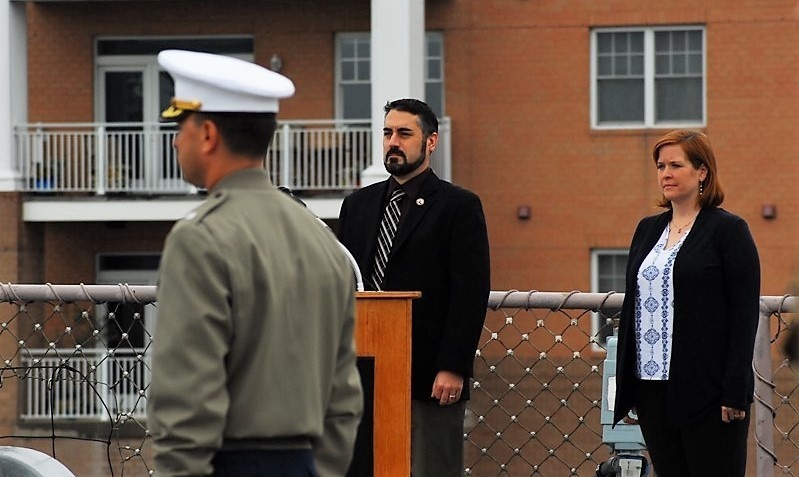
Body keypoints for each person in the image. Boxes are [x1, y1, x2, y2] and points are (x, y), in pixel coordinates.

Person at [147, 50, 363, 477]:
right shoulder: (320, 237)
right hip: (305, 462)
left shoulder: (200, 238)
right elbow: (344, 396)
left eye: (179, 125)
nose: (175, 140)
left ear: (207, 134)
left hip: (228, 463)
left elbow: (187, 397)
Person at [337, 98, 491, 477]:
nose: (393, 141)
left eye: (405, 133)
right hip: (361, 373)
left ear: (431, 142)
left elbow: (470, 292)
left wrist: (453, 366)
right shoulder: (357, 205)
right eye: (387, 132)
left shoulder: (459, 206)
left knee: (429, 468)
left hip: (429, 376)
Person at [612, 129, 760, 477]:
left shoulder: (729, 231)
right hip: (651, 388)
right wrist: (628, 386)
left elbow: (744, 314)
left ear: (702, 171)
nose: (666, 173)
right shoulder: (647, 230)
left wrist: (735, 388)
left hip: (707, 389)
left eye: (676, 165)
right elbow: (634, 304)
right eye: (661, 165)